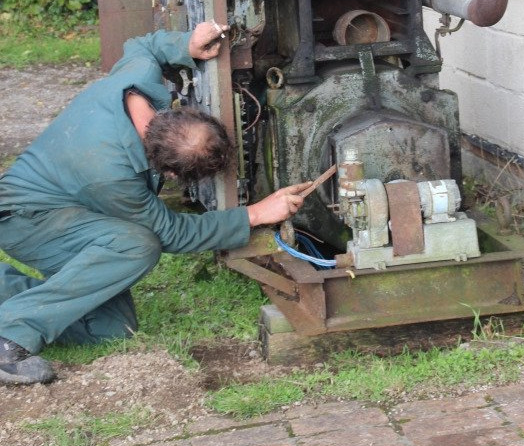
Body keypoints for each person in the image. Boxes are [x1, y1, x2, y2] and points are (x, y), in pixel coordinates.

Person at [0, 22, 309, 385]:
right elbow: (171, 234)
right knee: (137, 245)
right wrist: (256, 213)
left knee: (111, 330)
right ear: (173, 175)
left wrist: (186, 44)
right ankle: (11, 339)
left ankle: (13, 301)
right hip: (28, 220)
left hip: (66, 205)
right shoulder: (111, 174)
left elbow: (142, 45)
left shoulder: (137, 88)